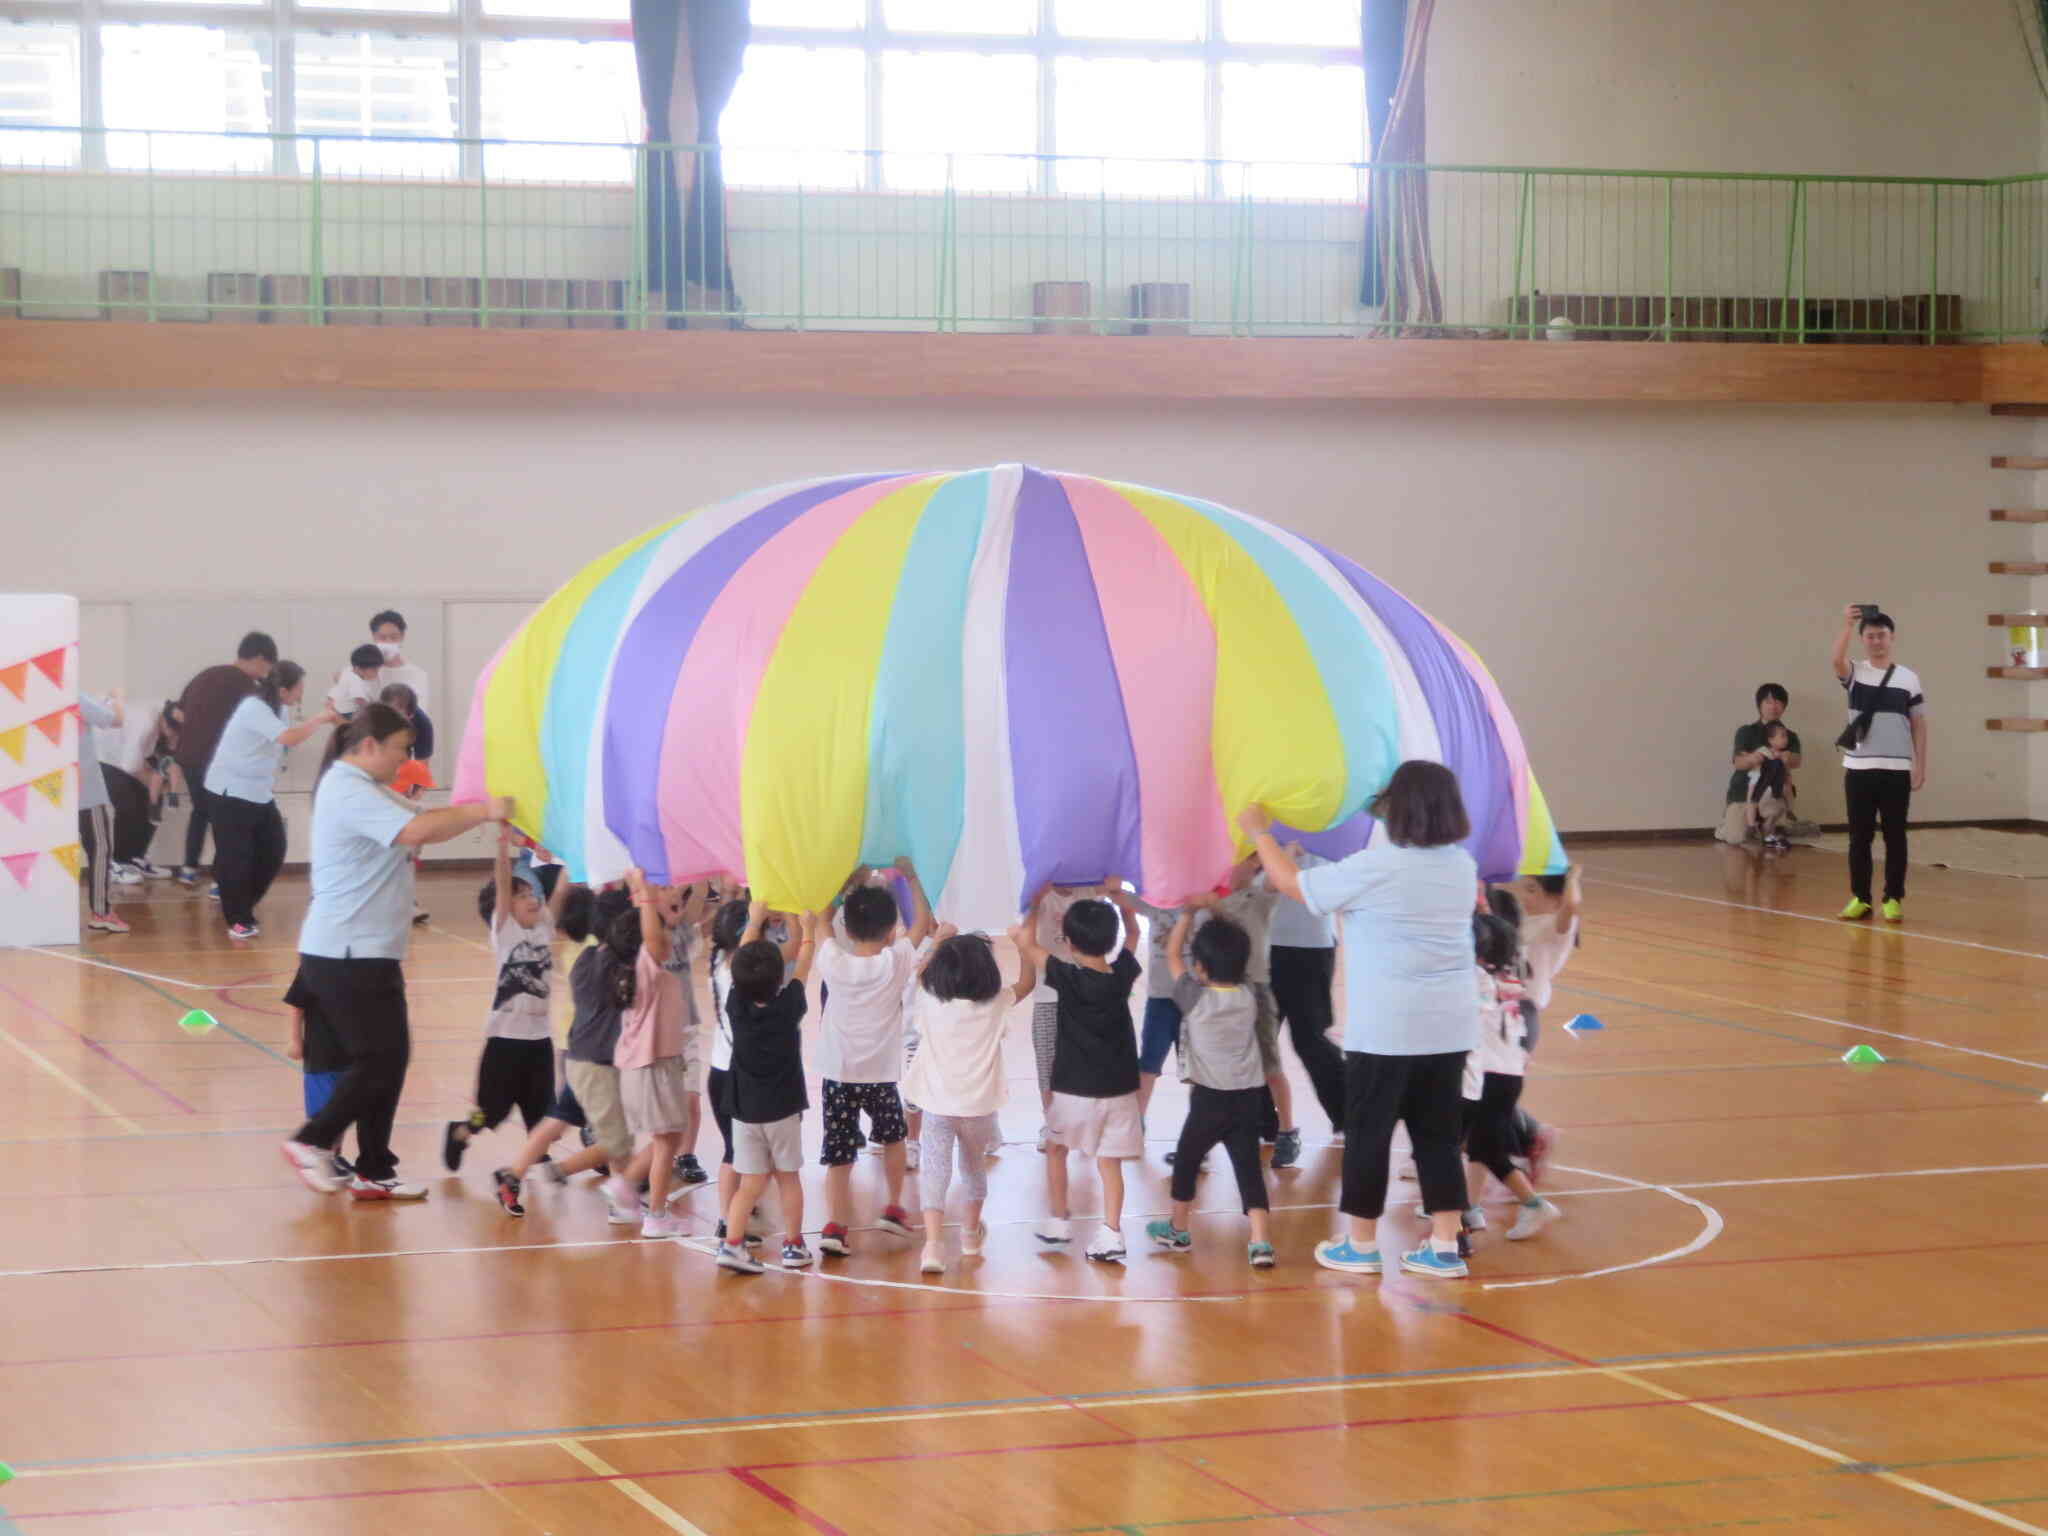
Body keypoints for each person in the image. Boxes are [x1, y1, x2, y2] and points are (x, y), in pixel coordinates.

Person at [1240, 760, 1480, 1282]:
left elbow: (1290, 882)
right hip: (1450, 1026)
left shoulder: (1381, 865)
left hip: (1390, 1030)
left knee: (1369, 1133)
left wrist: (1260, 831)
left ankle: (1361, 1244)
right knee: (1437, 1136)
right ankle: (1443, 1247)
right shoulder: (1460, 864)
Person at [279, 704, 512, 1201]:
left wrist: (483, 811)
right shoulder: (346, 788)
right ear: (369, 746)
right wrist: (485, 810)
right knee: (382, 1059)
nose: (405, 759)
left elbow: (428, 820)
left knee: (386, 1058)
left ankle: (374, 1168)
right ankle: (313, 1140)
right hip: (347, 952)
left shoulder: (366, 791)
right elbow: (417, 831)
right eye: (401, 749)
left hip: (361, 951)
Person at [1017, 890, 1144, 1263]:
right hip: (1120, 1092)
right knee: (1110, 1162)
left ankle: (1059, 1219)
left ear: (1068, 943)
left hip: (1075, 1091)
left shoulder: (1065, 976)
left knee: (1056, 1150)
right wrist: (1122, 900)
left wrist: (1033, 905)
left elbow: (1027, 943)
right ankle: (1112, 1232)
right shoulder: (1121, 973)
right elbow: (1134, 935)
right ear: (1112, 939)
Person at [814, 865, 933, 1258]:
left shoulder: (832, 959)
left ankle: (835, 1224)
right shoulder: (895, 961)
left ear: (847, 931)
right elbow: (922, 925)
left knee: (839, 1153)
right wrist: (913, 880)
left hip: (838, 1073)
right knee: (894, 1138)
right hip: (881, 1075)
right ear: (889, 932)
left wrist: (844, 886)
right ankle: (894, 1206)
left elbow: (820, 919)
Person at [1144, 911, 1275, 1268]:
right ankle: (1260, 1242)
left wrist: (1186, 916)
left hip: (1209, 1100)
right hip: (1247, 1097)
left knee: (1186, 1162)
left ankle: (1178, 1228)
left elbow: (1172, 957)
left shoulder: (1193, 997)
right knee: (1248, 1168)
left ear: (1199, 967)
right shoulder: (1249, 995)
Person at [903, 924, 1036, 1275]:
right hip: (978, 1107)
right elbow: (1027, 983)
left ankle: (932, 1245)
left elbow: (917, 974)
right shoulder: (995, 1003)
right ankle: (970, 1235)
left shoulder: (929, 998)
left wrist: (941, 939)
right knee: (973, 1167)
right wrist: (1023, 946)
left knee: (935, 1169)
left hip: (937, 1104)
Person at [444, 829, 573, 1173]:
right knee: (488, 1112)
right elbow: (503, 884)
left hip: (538, 1040)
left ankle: (536, 1156)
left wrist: (572, 852)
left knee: (542, 1112)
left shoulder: (544, 927)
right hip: (504, 1041)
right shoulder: (505, 932)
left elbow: (561, 888)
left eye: (533, 892)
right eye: (522, 895)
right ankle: (460, 1131)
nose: (532, 899)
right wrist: (503, 846)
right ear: (504, 907)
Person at [717, 902, 818, 1274]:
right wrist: (808, 929)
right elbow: (804, 964)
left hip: (745, 1111)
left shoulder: (735, 1004)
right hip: (783, 1109)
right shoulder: (789, 1004)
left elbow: (742, 958)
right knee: (788, 1178)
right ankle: (793, 1246)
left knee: (750, 1184)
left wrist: (755, 918)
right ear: (780, 978)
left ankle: (731, 1244)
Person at [206, 662, 338, 940]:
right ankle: (237, 918)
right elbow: (288, 738)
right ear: (282, 690)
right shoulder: (254, 707)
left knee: (274, 849)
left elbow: (287, 740)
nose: (301, 692)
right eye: (299, 687)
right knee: (237, 858)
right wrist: (321, 719)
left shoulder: (281, 709)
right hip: (230, 792)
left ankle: (237, 898)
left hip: (258, 793)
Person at [1459, 913, 1561, 1242]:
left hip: (1490, 1075)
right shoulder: (1509, 980)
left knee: (1485, 1149)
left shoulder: (1476, 981)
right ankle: (1468, 1208)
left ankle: (1533, 1203)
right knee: (1479, 1145)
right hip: (1508, 1075)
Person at [616, 867, 700, 1239]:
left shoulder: (637, 965)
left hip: (650, 1065)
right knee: (666, 1142)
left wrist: (646, 895)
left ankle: (629, 1196)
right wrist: (645, 893)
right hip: (654, 1066)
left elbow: (661, 929)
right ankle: (654, 1214)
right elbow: (652, 936)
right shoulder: (646, 966)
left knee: (665, 1139)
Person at [1831, 605, 1927, 922]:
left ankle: (1893, 898)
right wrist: (1846, 624)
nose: (1876, 641)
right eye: (1870, 636)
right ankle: (1860, 897)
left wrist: (1920, 764)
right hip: (1859, 768)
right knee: (1859, 837)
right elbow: (1836, 661)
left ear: (1892, 638)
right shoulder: (1855, 673)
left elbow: (1919, 724)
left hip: (1897, 769)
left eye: (1882, 635)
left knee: (1895, 836)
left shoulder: (1908, 678)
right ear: (1862, 640)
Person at [173, 632, 276, 888]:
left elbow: (178, 712)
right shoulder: (247, 688)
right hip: (217, 761)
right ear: (261, 658)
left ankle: (189, 868)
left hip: (189, 758)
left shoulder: (205, 675)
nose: (266, 673)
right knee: (227, 821)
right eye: (268, 666)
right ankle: (222, 882)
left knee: (200, 811)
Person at [1266, 847, 1346, 1137]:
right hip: (1266, 947)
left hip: (1313, 947)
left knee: (1310, 1039)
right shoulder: (1266, 831)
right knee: (1260, 1043)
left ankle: (1348, 1115)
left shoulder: (1325, 836)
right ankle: (1265, 1123)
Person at [1026, 880, 1106, 1152]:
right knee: (1047, 1067)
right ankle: (1053, 1124)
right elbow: (1027, 933)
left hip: (1083, 998)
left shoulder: (1088, 891)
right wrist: (1036, 901)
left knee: (1086, 1064)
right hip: (1047, 996)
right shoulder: (1040, 895)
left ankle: (1086, 1124)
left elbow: (1111, 891)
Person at [102, 697, 179, 884]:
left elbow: (140, 758)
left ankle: (136, 857)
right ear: (164, 722)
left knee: (153, 801)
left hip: (126, 754)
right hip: (103, 755)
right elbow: (130, 766)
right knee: (127, 805)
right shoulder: (144, 724)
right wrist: (152, 782)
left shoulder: (165, 717)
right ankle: (119, 863)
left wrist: (160, 787)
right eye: (173, 730)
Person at [1717, 684, 1805, 845]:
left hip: (1772, 794)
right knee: (1736, 838)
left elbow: (1797, 761)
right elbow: (1739, 763)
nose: (1773, 706)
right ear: (1759, 705)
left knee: (1771, 831)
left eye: (1778, 702)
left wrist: (1786, 757)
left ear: (1784, 706)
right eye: (1768, 701)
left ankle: (1772, 824)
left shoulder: (1789, 736)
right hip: (1744, 793)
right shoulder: (1746, 731)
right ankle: (1729, 823)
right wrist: (1753, 758)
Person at [77, 689, 126, 934]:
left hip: (56, 793)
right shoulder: (74, 696)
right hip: (86, 791)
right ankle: (101, 912)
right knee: (100, 848)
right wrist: (118, 698)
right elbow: (115, 719)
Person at [1746, 721, 1793, 848]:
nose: (1786, 739)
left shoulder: (1784, 754)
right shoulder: (1763, 751)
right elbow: (1757, 761)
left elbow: (1786, 773)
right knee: (1753, 799)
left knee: (1778, 809)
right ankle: (1751, 825)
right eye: (1782, 736)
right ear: (1771, 740)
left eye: (1786, 736)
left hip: (1775, 787)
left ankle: (1769, 833)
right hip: (1760, 784)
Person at [328, 645, 386, 721]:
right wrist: (373, 710)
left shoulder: (349, 670)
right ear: (359, 669)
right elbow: (359, 700)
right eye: (374, 670)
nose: (377, 673)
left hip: (338, 708)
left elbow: (336, 676)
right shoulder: (355, 681)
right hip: (348, 713)